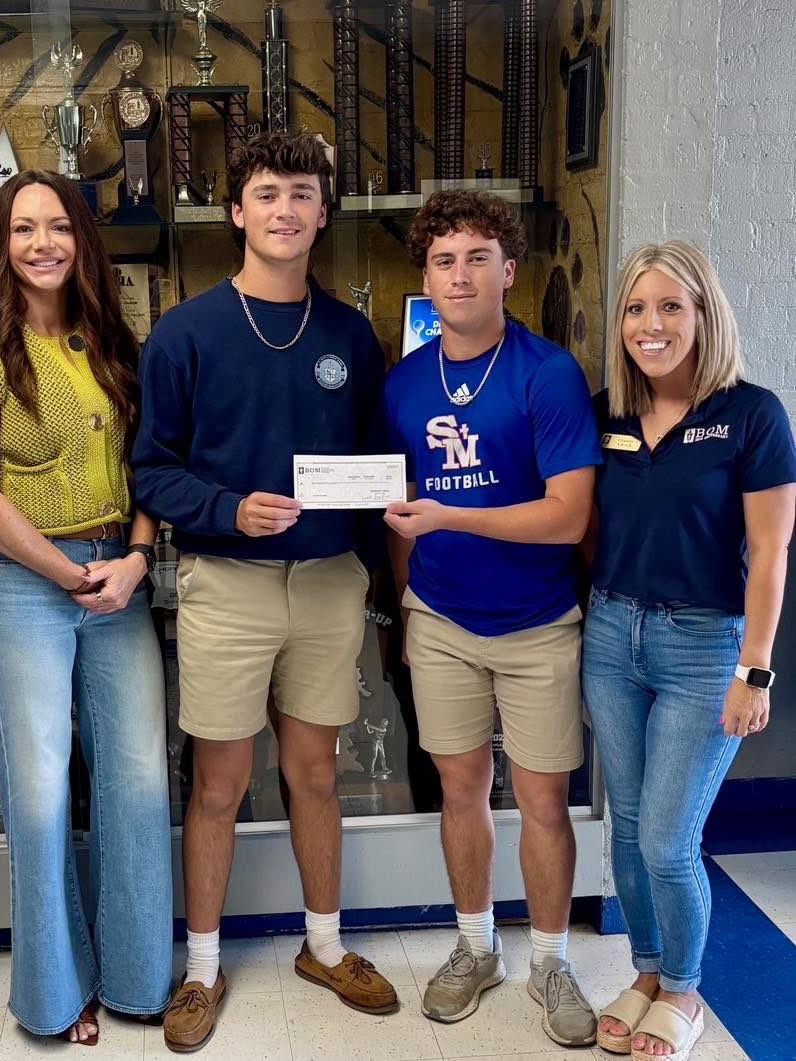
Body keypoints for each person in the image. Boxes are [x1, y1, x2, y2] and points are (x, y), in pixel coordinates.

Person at [133, 131, 398, 1053]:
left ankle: (323, 944)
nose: (285, 209)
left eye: (302, 194)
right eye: (267, 192)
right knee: (219, 783)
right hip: (227, 583)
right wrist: (224, 509)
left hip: (328, 585)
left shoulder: (350, 337)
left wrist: (381, 553)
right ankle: (201, 968)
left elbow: (376, 463)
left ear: (324, 213)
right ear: (236, 210)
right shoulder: (186, 333)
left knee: (317, 772)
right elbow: (150, 471)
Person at [0, 170, 172, 1046]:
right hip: (22, 585)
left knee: (140, 779)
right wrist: (69, 575)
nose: (43, 243)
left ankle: (141, 978)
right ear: (2, 242)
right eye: (24, 228)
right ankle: (56, 991)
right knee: (38, 796)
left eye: (59, 227)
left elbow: (152, 460)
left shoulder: (108, 335)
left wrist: (137, 556)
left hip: (118, 572)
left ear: (83, 239)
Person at [382, 190, 601, 1048]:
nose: (460, 273)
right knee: (461, 791)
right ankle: (476, 946)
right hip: (439, 617)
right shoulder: (403, 382)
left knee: (544, 799)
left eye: (478, 257)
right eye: (444, 260)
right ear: (425, 279)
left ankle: (550, 959)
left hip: (540, 620)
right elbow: (396, 509)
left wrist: (450, 516)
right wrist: (408, 602)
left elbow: (569, 515)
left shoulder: (545, 373)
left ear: (509, 271)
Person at [584, 241, 795, 1061]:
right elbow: (591, 524)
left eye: (672, 306)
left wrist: (756, 668)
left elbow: (772, 553)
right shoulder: (610, 413)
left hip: (704, 648)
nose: (652, 324)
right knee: (629, 828)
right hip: (611, 635)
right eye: (637, 308)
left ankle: (684, 988)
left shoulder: (752, 415)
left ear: (705, 314)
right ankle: (645, 971)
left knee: (669, 841)